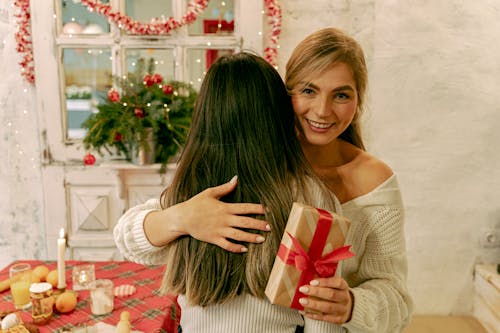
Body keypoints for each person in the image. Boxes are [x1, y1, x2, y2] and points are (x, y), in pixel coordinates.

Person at [115, 28, 413, 332]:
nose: (322, 111)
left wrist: (351, 306)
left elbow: (397, 300)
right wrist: (181, 218)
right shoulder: (248, 166)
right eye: (309, 90)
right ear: (284, 98)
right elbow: (130, 236)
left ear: (358, 100)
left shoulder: (369, 183)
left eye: (341, 94)